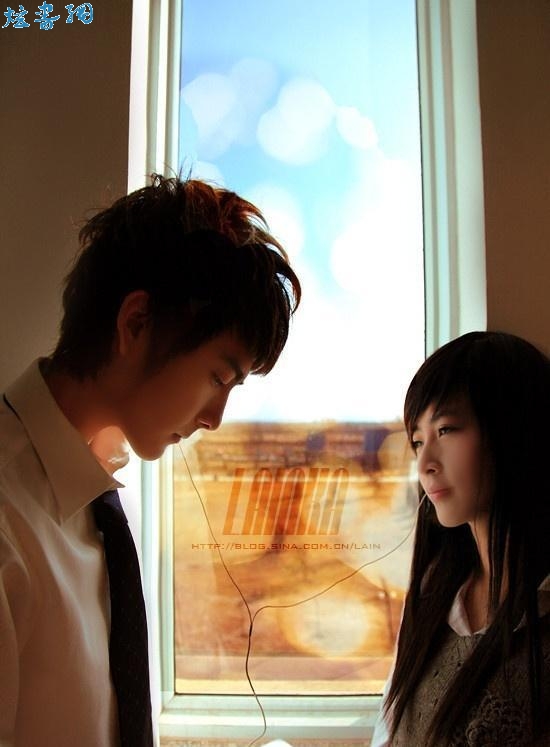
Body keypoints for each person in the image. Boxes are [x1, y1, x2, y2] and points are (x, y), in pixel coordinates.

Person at [0, 174, 301, 747]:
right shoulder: (9, 520)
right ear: (136, 323)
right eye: (219, 377)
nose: (215, 418)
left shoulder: (110, 501)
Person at [371, 331, 550, 746]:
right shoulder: (434, 594)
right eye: (417, 441)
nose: (425, 463)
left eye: (446, 429)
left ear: (512, 430)